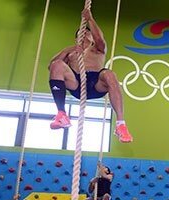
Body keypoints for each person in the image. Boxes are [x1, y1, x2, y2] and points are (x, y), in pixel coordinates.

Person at [48, 8, 132, 143]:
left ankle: (120, 124)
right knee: (57, 64)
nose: (85, 33)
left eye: (88, 32)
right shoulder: (70, 53)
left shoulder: (97, 49)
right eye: (82, 32)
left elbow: (100, 39)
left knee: (110, 74)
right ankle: (62, 114)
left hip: (96, 83)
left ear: (91, 36)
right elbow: (52, 67)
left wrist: (90, 19)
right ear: (76, 38)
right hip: (76, 82)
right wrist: (68, 50)